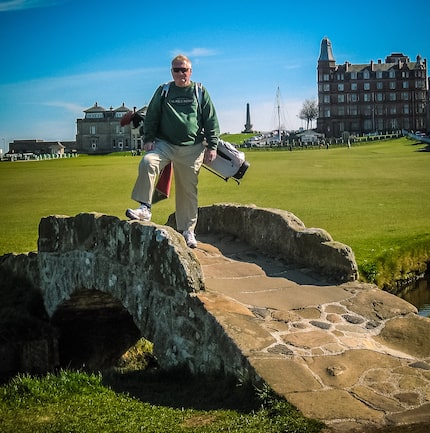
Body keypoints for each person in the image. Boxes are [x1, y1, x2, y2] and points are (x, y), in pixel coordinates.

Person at [126, 54, 220, 248]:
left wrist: (212, 146)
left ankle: (188, 231)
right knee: (148, 162)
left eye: (184, 69)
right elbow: (152, 115)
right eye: (176, 70)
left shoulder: (199, 91)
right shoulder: (164, 91)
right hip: (165, 144)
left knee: (188, 189)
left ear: (190, 71)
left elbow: (211, 120)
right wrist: (148, 138)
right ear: (171, 72)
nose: (180, 73)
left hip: (192, 148)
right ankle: (145, 207)